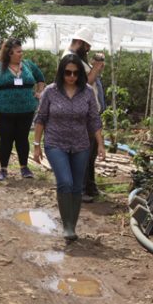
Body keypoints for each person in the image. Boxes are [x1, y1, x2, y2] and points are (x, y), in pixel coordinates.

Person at [33, 55, 105, 242]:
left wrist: (101, 144)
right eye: (67, 73)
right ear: (61, 72)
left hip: (81, 144)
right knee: (65, 181)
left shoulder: (87, 92)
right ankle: (67, 225)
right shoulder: (51, 91)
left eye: (75, 73)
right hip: (56, 143)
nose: (71, 76)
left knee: (77, 186)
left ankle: (72, 224)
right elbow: (41, 118)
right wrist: (36, 145)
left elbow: (94, 119)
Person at [0, 37, 46, 181]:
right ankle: (3, 169)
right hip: (4, 111)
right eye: (18, 52)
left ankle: (24, 168)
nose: (21, 54)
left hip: (26, 109)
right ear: (9, 53)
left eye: (21, 51)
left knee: (22, 138)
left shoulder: (28, 65)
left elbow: (40, 78)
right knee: (6, 139)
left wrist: (39, 92)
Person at [63, 28, 106, 202]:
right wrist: (96, 68)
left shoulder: (78, 58)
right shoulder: (69, 58)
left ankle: (89, 186)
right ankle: (78, 191)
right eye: (87, 46)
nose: (88, 50)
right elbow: (85, 82)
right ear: (80, 43)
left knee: (92, 151)